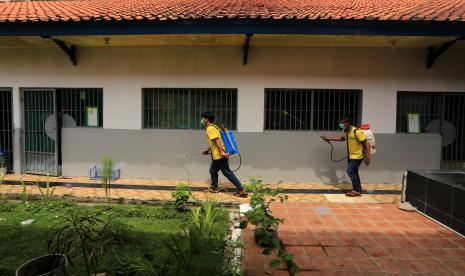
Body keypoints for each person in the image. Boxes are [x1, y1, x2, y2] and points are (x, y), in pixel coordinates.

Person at [200, 111, 247, 197]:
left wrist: (221, 152)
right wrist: (207, 150)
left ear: (206, 119)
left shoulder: (210, 128)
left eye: (203, 118)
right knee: (213, 171)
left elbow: (217, 140)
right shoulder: (215, 127)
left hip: (219, 155)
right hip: (217, 155)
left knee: (227, 172)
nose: (202, 120)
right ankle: (214, 187)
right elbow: (213, 142)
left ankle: (241, 189)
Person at [321, 117, 371, 197]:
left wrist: (368, 157)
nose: (341, 124)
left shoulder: (356, 131)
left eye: (343, 123)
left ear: (348, 123)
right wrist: (329, 139)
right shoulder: (345, 131)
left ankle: (357, 190)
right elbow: (342, 138)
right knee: (353, 172)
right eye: (341, 122)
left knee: (350, 171)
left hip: (358, 156)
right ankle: (357, 188)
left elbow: (367, 144)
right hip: (351, 156)